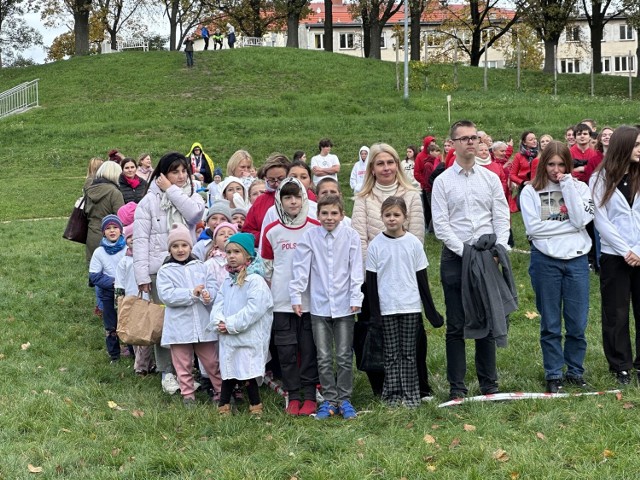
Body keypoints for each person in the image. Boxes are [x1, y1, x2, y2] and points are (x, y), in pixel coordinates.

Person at [431, 120, 513, 401]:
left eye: (474, 137)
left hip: (487, 255)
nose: (470, 142)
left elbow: (501, 215)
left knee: (487, 319)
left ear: (480, 142)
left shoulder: (490, 178)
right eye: (463, 138)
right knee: (456, 324)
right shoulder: (442, 181)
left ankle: (488, 384)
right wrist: (465, 252)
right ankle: (457, 387)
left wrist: (499, 248)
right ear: (452, 143)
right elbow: (441, 224)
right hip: (456, 258)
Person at [351, 143, 425, 397]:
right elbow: (360, 239)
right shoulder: (362, 199)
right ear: (372, 167)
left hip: (405, 278)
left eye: (390, 162)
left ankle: (418, 386)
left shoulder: (412, 195)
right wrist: (371, 273)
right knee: (375, 330)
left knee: (412, 334)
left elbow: (416, 236)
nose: (386, 168)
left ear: (397, 165)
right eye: (380, 163)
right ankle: (382, 386)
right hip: (373, 278)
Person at [520, 141, 594, 393]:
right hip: (545, 261)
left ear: (569, 164)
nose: (556, 169)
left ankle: (575, 371)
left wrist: (567, 187)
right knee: (550, 322)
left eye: (561, 164)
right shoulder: (530, 191)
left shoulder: (581, 188)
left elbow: (584, 218)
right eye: (551, 164)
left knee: (577, 322)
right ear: (543, 164)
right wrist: (572, 225)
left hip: (577, 260)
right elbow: (533, 229)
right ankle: (554, 373)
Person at [133, 152, 205, 395]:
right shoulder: (148, 202)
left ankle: (187, 371)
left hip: (189, 267)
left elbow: (194, 215)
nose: (181, 176)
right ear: (162, 174)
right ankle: (166, 372)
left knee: (189, 319)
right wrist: (142, 276)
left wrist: (172, 190)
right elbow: (141, 240)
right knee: (165, 323)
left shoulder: (192, 196)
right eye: (175, 171)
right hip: (159, 269)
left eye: (184, 171)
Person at [290, 195, 363, 419]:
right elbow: (301, 267)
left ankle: (345, 399)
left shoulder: (351, 236)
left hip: (344, 305)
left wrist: (355, 297)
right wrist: (297, 295)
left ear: (342, 215)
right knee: (323, 355)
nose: (329, 218)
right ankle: (330, 399)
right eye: (324, 213)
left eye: (334, 213)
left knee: (343, 354)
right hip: (320, 305)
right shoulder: (310, 236)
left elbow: (356, 268)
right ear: (318, 214)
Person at [366, 197, 443, 407]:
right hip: (387, 308)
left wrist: (431, 312)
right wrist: (375, 315)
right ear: (382, 217)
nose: (392, 219)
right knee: (390, 354)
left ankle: (411, 396)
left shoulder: (413, 244)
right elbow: (371, 283)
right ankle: (392, 395)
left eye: (396, 215)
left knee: (409, 354)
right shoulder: (375, 245)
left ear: (405, 217)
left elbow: (422, 280)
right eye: (388, 215)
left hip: (409, 306)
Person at [261, 178, 320, 415]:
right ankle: (293, 394)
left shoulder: (315, 227)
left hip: (310, 302)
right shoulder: (272, 231)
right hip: (281, 302)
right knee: (286, 351)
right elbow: (267, 268)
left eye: (296, 196)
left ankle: (310, 394)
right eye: (287, 197)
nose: (292, 201)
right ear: (280, 200)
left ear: (304, 198)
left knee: (308, 349)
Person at [590, 125, 640, 385]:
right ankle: (621, 366)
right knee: (616, 313)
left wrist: (638, 250)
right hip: (614, 256)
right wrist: (625, 251)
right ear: (623, 146)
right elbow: (601, 220)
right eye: (636, 145)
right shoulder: (599, 179)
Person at [209, 233, 274, 416]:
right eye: (228, 252)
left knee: (248, 371)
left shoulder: (255, 281)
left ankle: (255, 405)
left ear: (248, 256)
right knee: (229, 371)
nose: (231, 256)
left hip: (247, 336)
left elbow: (253, 310)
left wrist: (230, 324)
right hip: (228, 336)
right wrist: (218, 321)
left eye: (236, 251)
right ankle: (224, 406)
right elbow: (218, 304)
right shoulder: (228, 282)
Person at [156, 223, 220, 408]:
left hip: (202, 324)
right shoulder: (165, 271)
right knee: (182, 364)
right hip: (179, 327)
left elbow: (213, 287)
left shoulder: (201, 266)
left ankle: (221, 391)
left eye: (184, 245)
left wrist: (208, 295)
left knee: (212, 362)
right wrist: (191, 293)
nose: (180, 249)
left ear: (191, 247)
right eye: (175, 246)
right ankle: (188, 395)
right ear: (170, 249)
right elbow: (167, 295)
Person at [115, 222, 155, 375]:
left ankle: (142, 365)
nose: (132, 240)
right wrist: (119, 299)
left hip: (147, 299)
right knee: (136, 333)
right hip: (131, 300)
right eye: (129, 237)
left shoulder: (147, 259)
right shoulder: (125, 261)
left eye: (136, 237)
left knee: (146, 332)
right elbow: (119, 282)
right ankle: (145, 363)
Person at [89, 215, 127, 363]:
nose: (112, 231)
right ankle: (114, 355)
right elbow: (95, 276)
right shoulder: (99, 252)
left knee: (128, 321)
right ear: (103, 232)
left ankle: (133, 350)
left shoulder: (127, 249)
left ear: (121, 230)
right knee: (110, 325)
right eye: (108, 228)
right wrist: (114, 283)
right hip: (108, 292)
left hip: (127, 292)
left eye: (115, 227)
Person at [243, 153, 291, 246]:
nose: (276, 184)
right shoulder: (260, 201)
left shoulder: (303, 196)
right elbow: (247, 231)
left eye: (281, 179)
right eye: (272, 180)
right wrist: (266, 236)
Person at [85, 162, 125, 262]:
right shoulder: (114, 192)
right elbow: (121, 218)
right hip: (110, 236)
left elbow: (85, 211)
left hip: (91, 234)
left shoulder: (90, 190)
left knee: (94, 269)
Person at [509, 131, 540, 209]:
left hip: (540, 185)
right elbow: (512, 175)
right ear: (524, 142)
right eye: (531, 139)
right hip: (525, 186)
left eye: (535, 138)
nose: (534, 141)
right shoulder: (519, 156)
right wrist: (523, 182)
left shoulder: (541, 154)